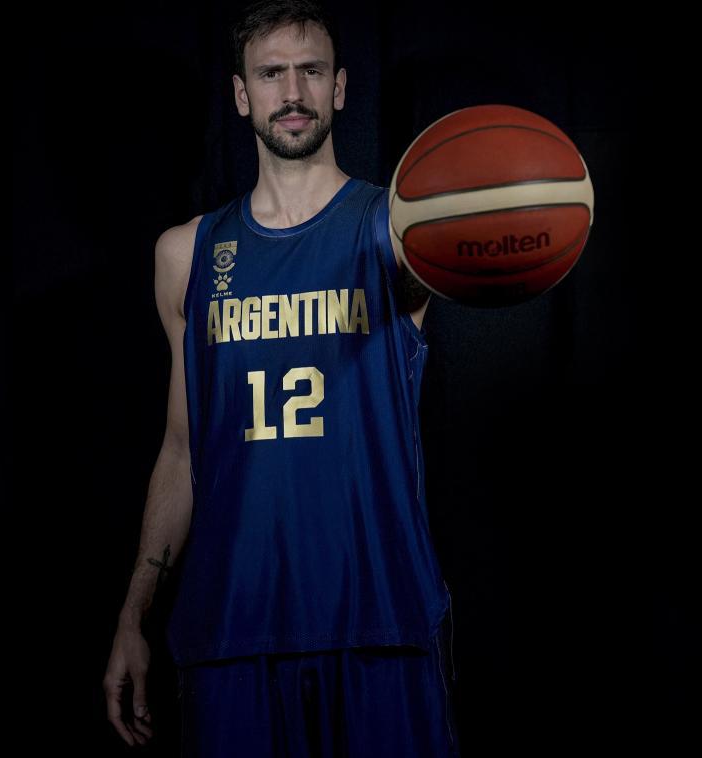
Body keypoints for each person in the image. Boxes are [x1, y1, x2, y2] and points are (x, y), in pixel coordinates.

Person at [104, 1, 459, 754]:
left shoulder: (399, 230)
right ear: (241, 95)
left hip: (379, 619)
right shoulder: (187, 254)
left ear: (340, 87)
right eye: (271, 74)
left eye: (311, 71)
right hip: (233, 628)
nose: (292, 92)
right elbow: (181, 450)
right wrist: (134, 614)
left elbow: (487, 249)